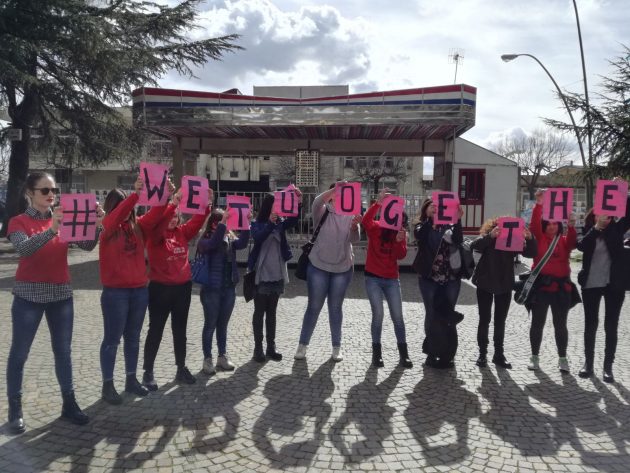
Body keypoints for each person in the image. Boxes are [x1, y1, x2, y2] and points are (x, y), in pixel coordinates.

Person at [6, 172, 103, 434]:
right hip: (28, 296)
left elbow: (86, 245)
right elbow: (24, 249)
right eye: (45, 190)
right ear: (30, 193)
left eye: (54, 190)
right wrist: (52, 230)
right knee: (20, 353)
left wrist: (96, 224)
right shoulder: (18, 221)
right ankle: (15, 409)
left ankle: (69, 403)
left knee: (63, 352)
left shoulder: (63, 218)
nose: (51, 195)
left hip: (60, 295)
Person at [99, 176, 166, 404]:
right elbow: (114, 218)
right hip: (115, 293)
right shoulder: (107, 227)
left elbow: (156, 214)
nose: (127, 209)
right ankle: (108, 384)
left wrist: (166, 196)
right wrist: (135, 196)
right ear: (113, 207)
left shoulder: (138, 226)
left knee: (133, 338)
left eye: (128, 204)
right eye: (122, 205)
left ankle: (131, 379)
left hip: (138, 291)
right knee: (112, 340)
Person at [141, 188, 213, 390]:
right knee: (156, 330)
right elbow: (160, 222)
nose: (173, 219)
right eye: (170, 216)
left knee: (180, 330)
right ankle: (148, 371)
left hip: (182, 289)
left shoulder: (182, 232)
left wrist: (206, 204)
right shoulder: (155, 235)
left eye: (176, 216)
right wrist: (172, 203)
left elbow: (197, 221)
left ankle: (181, 368)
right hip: (160, 289)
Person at [294, 183, 362, 362]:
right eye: (337, 193)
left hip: (342, 268)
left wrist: (354, 227)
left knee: (335, 308)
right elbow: (317, 202)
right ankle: (302, 344)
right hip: (318, 266)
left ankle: (336, 347)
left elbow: (354, 239)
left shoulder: (352, 214)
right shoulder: (322, 211)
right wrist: (336, 188)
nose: (340, 196)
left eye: (343, 194)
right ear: (330, 196)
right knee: (314, 307)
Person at [576, 183, 630, 382]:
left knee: (611, 325)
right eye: (599, 215)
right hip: (591, 283)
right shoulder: (588, 229)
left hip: (614, 284)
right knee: (591, 324)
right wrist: (596, 228)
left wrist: (624, 190)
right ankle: (588, 364)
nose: (603, 217)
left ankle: (608, 367)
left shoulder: (617, 228)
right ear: (593, 215)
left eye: (607, 215)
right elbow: (581, 246)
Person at [471, 217, 537, 369]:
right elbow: (475, 245)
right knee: (484, 319)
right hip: (485, 282)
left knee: (500, 321)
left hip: (504, 282)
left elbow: (531, 252)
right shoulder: (489, 237)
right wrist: (491, 236)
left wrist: (530, 238)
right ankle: (482, 354)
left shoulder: (513, 240)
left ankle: (499, 355)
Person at [248, 189, 302, 362]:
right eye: (275, 205)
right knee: (259, 312)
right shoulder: (257, 224)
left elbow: (294, 219)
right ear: (268, 207)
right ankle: (258, 348)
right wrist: (270, 223)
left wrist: (298, 202)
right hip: (261, 273)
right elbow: (258, 237)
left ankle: (271, 347)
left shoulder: (281, 223)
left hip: (277, 272)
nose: (279, 208)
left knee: (272, 312)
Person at [527, 189, 578, 373]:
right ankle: (534, 357)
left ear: (559, 225)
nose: (551, 227)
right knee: (537, 324)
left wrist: (571, 226)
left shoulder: (563, 240)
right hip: (541, 288)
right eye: (548, 224)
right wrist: (539, 204)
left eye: (554, 223)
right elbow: (534, 224)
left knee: (560, 325)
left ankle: (563, 358)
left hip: (561, 289)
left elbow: (572, 243)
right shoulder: (539, 238)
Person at [362, 188, 412, 368]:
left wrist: (399, 241)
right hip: (373, 278)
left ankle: (404, 355)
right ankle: (377, 354)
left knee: (398, 316)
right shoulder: (375, 228)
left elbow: (401, 256)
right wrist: (378, 203)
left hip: (391, 279)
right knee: (378, 315)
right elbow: (366, 221)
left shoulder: (400, 232)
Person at [412, 197, 465, 369]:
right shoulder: (422, 226)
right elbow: (420, 236)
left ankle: (448, 354)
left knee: (449, 315)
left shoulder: (450, 225)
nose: (435, 208)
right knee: (431, 314)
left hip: (450, 278)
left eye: (438, 206)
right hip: (429, 278)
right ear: (426, 210)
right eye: (431, 206)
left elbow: (458, 240)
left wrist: (458, 220)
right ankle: (432, 352)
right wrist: (432, 222)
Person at [197, 207, 250, 375]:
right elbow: (213, 244)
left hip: (228, 289)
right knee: (210, 325)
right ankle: (207, 359)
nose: (229, 225)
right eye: (225, 221)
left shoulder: (229, 238)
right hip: (211, 290)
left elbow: (242, 244)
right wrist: (223, 224)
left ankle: (222, 356)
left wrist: (246, 224)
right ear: (214, 224)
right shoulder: (205, 239)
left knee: (223, 325)